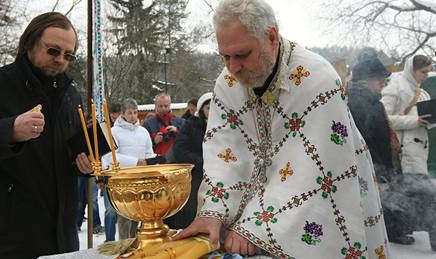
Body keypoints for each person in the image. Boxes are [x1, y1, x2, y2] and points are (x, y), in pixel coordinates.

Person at [173, 1, 389, 258]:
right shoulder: (228, 82)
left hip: (316, 202)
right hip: (254, 217)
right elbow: (224, 152)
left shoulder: (317, 79)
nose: (232, 67)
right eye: (225, 56)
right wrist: (213, 211)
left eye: (241, 55)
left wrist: (255, 227)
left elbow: (311, 171)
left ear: (271, 37)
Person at [0, 12, 93, 259]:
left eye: (68, 55)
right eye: (53, 50)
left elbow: (69, 152)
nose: (61, 60)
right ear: (29, 43)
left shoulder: (71, 95)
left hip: (63, 237)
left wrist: (84, 163)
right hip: (10, 239)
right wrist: (9, 131)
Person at [380, 54, 436, 249]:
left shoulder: (421, 92)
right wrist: (415, 121)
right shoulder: (395, 86)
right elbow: (384, 118)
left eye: (429, 71)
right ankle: (431, 236)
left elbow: (421, 120)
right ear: (412, 69)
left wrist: (429, 121)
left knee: (403, 195)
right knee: (425, 194)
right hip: (403, 153)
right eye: (423, 71)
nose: (426, 75)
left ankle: (398, 231)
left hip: (418, 151)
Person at [102, 98, 157, 239]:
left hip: (141, 179)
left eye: (135, 112)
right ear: (123, 114)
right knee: (124, 215)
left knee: (138, 214)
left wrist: (155, 161)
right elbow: (110, 157)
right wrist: (135, 162)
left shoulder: (143, 131)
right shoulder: (114, 131)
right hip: (123, 180)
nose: (133, 116)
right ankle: (124, 245)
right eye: (130, 113)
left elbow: (149, 153)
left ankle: (134, 243)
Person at [166, 92, 212, 229]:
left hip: (216, 174)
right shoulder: (191, 125)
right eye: (209, 108)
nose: (212, 111)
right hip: (194, 174)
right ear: (202, 110)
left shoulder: (225, 126)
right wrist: (201, 161)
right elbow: (180, 150)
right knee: (192, 208)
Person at [347, 51, 395, 179]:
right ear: (365, 81)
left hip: (379, 170)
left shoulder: (372, 102)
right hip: (372, 173)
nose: (383, 87)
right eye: (380, 82)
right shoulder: (358, 104)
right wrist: (381, 175)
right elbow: (366, 142)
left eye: (385, 83)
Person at [143, 93, 184, 160]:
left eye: (166, 106)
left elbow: (189, 141)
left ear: (170, 105)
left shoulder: (181, 122)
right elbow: (143, 147)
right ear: (155, 106)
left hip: (178, 159)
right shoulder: (148, 124)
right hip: (157, 161)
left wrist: (177, 131)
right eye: (160, 106)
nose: (163, 108)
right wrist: (154, 141)